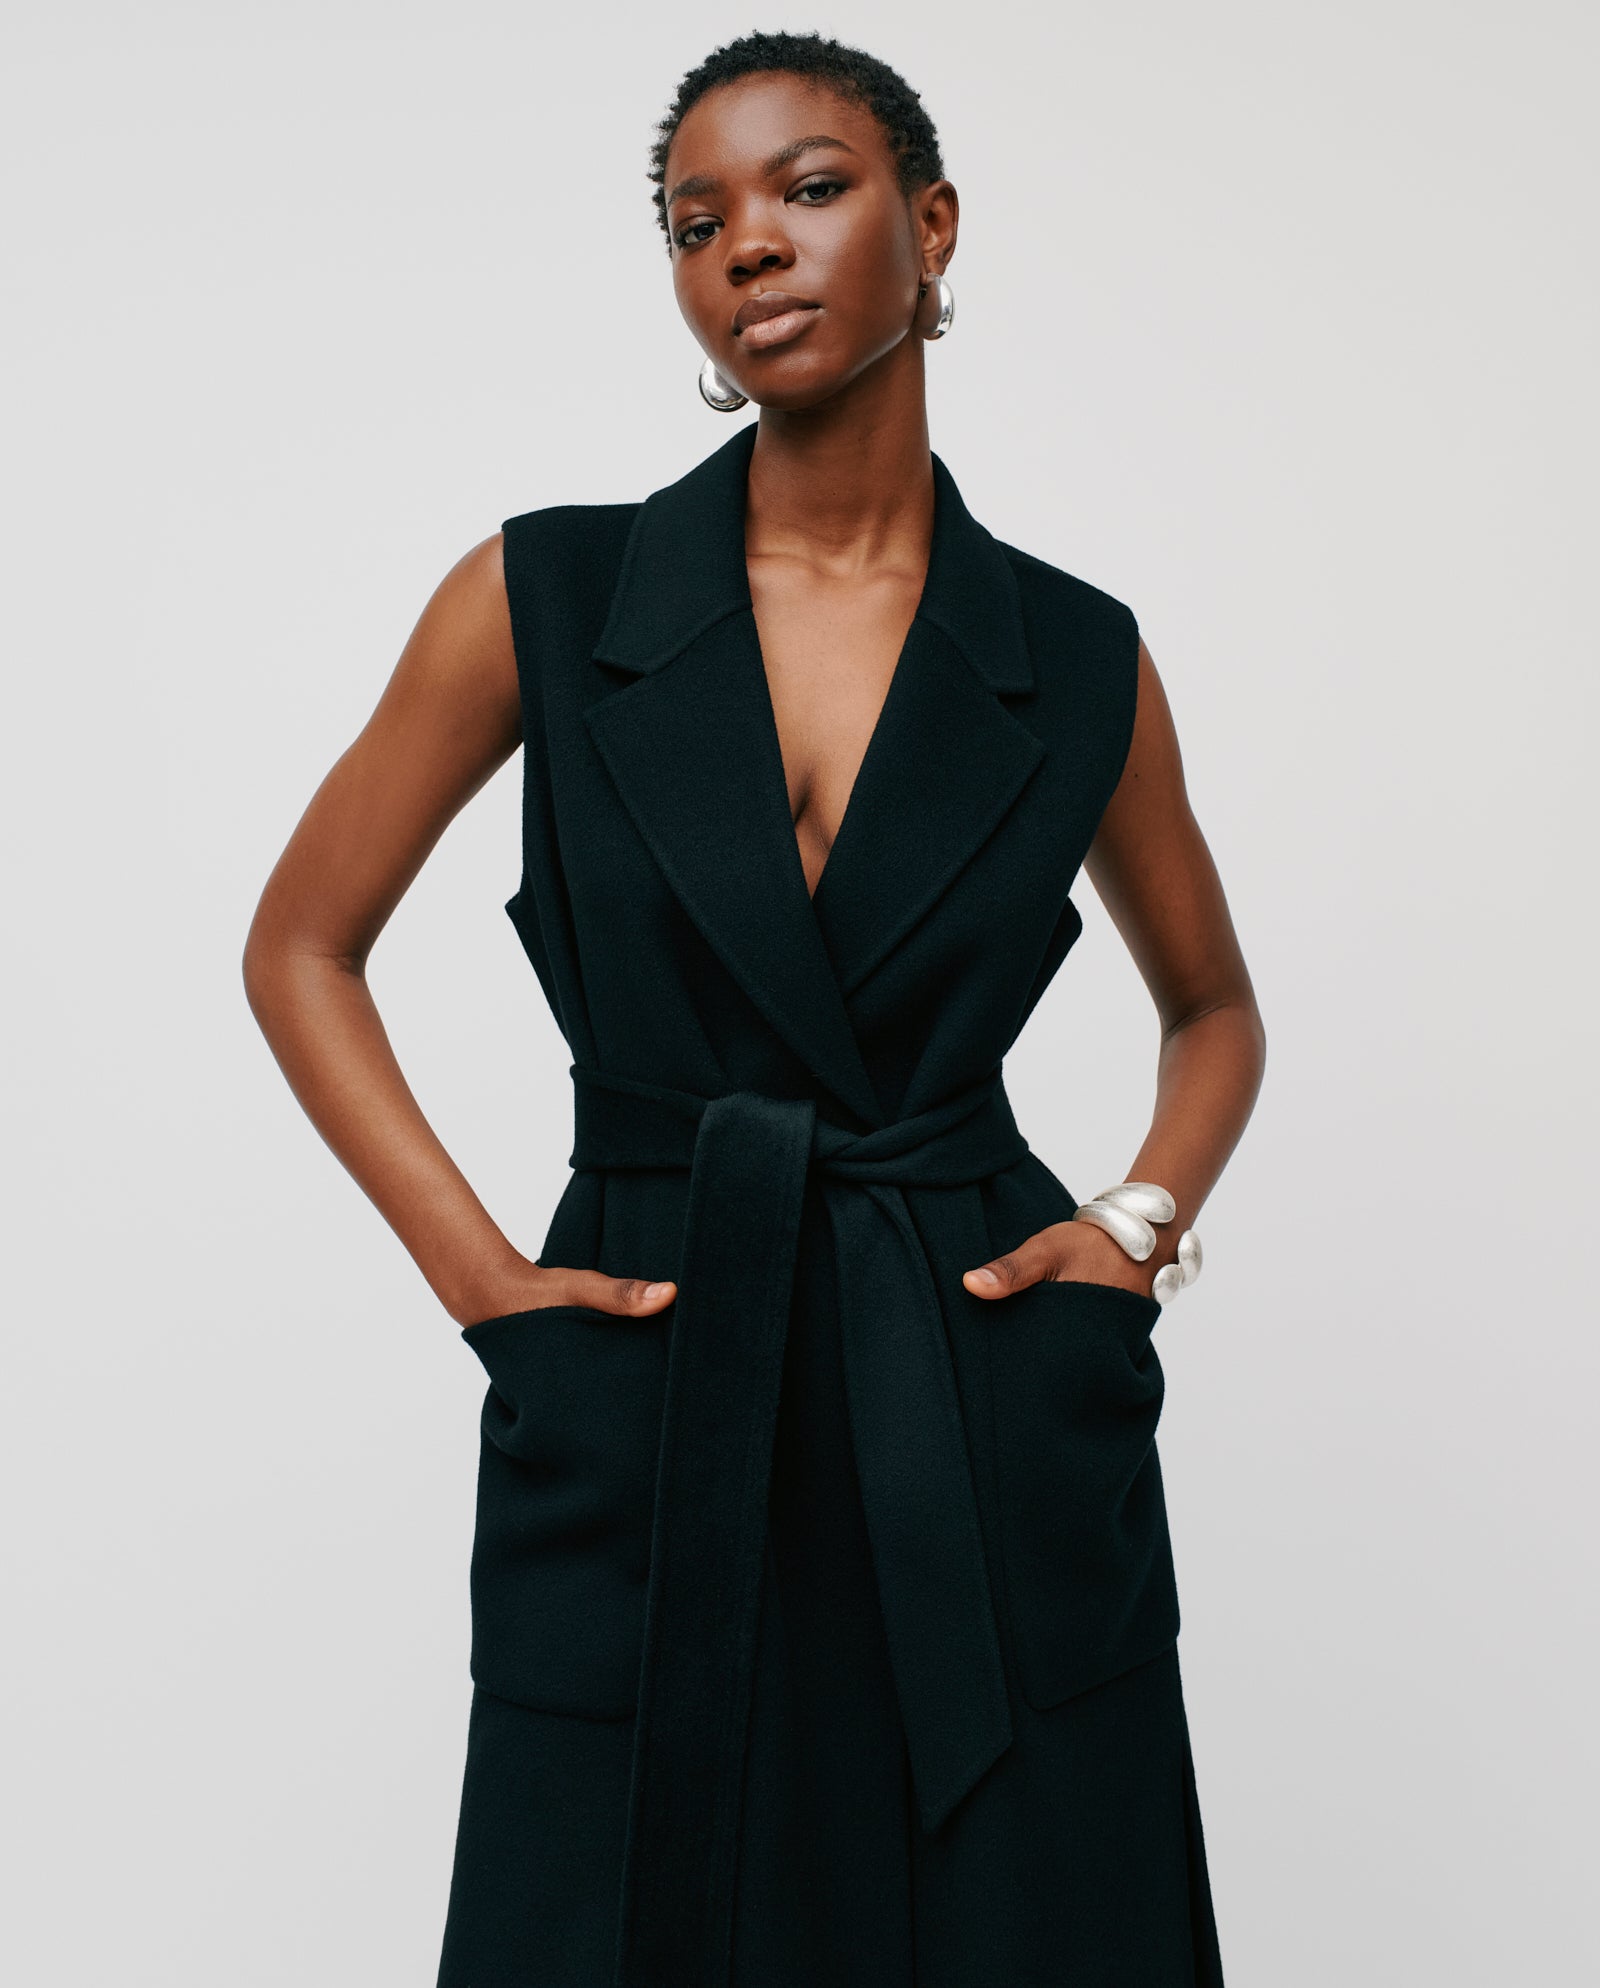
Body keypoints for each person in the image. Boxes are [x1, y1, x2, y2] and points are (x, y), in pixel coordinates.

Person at [243, 28, 1263, 1987]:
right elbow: (300, 942)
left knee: (1020, 1922)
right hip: (650, 1346)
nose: (746, 248)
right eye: (693, 219)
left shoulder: (1068, 650)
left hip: (967, 1378)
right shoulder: (541, 593)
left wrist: (1129, 1233)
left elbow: (1208, 1005)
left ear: (929, 222)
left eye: (808, 187)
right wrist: (478, 1278)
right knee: (611, 1909)